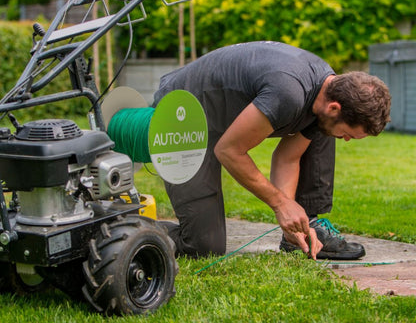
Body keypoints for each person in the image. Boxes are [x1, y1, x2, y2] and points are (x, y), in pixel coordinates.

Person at [152, 41, 391, 260]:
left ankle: (303, 229)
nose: (347, 140)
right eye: (350, 133)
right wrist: (280, 204)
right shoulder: (289, 93)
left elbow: (288, 157)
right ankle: (129, 231)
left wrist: (289, 222)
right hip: (182, 115)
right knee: (202, 246)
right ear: (335, 107)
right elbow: (228, 151)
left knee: (325, 131)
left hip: (221, 122)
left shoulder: (327, 92)